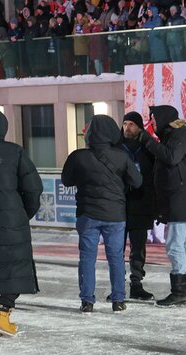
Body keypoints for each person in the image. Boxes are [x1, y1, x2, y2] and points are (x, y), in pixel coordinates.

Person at [61, 114, 143, 313]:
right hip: (115, 215)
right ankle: (118, 300)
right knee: (116, 257)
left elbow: (66, 180)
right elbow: (137, 182)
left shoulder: (78, 156)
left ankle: (87, 301)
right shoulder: (122, 156)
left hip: (87, 214)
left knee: (87, 258)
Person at [138, 104, 186, 307]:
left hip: (179, 199)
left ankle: (180, 291)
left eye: (153, 119)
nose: (151, 123)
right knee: (184, 244)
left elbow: (171, 157)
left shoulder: (179, 135)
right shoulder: (175, 135)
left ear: (164, 118)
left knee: (175, 244)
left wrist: (147, 141)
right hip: (179, 198)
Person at [0, 109, 43, 336]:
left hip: (11, 220)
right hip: (11, 223)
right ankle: (2, 311)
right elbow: (33, 190)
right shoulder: (15, 153)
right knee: (14, 268)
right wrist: (21, 215)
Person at [120, 111, 157, 301]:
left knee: (138, 248)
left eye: (131, 124)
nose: (127, 127)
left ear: (140, 127)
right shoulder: (117, 146)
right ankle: (117, 286)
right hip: (119, 205)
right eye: (125, 123)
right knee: (116, 248)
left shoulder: (148, 147)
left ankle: (136, 284)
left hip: (141, 204)